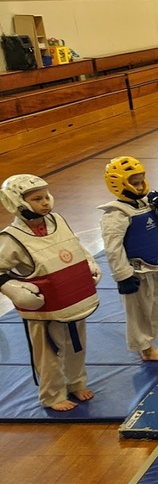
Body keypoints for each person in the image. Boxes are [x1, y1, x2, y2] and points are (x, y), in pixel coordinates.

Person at [0, 175, 101, 411]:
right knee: (48, 355)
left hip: (73, 298)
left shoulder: (58, 221)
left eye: (46, 196)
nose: (45, 202)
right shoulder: (12, 238)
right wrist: (14, 290)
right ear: (15, 202)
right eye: (37, 199)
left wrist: (90, 264)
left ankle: (76, 383)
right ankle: (52, 395)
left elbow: (74, 246)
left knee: (77, 346)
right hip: (43, 309)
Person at [98, 157, 158, 362]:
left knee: (152, 308)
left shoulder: (146, 205)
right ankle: (145, 349)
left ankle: (149, 343)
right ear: (119, 185)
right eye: (135, 183)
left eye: (142, 180)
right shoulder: (115, 214)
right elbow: (113, 249)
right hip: (135, 271)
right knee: (138, 313)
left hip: (154, 265)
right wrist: (122, 276)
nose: (141, 186)